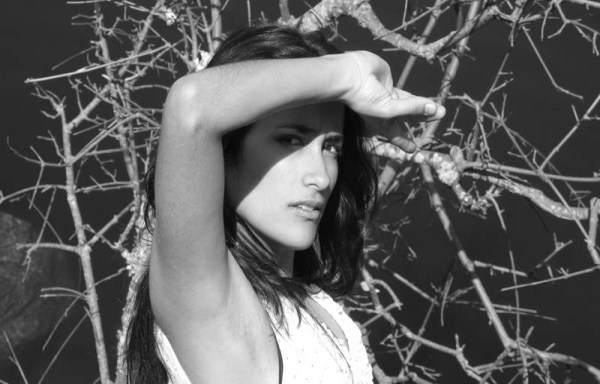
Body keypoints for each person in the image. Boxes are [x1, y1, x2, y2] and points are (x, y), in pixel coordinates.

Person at [125, 23, 445, 384]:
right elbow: (192, 106)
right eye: (290, 140)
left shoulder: (313, 303)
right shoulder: (209, 302)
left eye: (331, 147)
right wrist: (348, 74)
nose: (321, 177)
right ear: (225, 148)